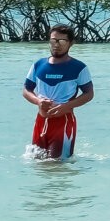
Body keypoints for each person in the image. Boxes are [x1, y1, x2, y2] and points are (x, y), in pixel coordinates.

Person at [24, 24, 93, 159]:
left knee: (58, 165)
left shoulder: (79, 68)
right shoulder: (38, 65)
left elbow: (89, 94)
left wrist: (66, 106)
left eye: (61, 41)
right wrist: (38, 101)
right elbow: (26, 90)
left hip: (64, 122)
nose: (56, 45)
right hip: (41, 121)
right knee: (36, 162)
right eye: (53, 40)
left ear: (71, 43)